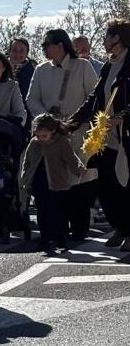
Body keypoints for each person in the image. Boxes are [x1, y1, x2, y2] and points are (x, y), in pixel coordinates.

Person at [27, 29, 98, 242]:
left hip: (77, 132)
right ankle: (57, 230)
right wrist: (47, 122)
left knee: (77, 181)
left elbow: (94, 99)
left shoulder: (83, 67)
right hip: (49, 137)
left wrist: (74, 123)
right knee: (53, 183)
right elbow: (32, 99)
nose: (44, 49)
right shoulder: (40, 70)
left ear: (60, 45)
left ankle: (79, 229)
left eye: (47, 45)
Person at [66, 19, 130, 250]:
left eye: (106, 36)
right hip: (105, 136)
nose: (103, 40)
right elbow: (94, 98)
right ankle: (120, 226)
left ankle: (128, 230)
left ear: (117, 39)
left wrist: (123, 115)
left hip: (125, 135)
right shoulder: (107, 66)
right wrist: (71, 122)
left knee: (125, 184)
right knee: (106, 187)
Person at [19, 113, 85, 255]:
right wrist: (25, 178)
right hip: (39, 180)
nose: (41, 139)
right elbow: (27, 161)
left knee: (58, 211)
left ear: (53, 131)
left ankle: (61, 238)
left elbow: (70, 158)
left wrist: (78, 169)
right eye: (38, 135)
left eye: (44, 136)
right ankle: (44, 239)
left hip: (57, 181)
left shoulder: (61, 141)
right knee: (42, 211)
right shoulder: (34, 143)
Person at [0, 52, 28, 125]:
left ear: (4, 68)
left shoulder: (12, 86)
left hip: (5, 131)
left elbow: (20, 112)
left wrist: (14, 127)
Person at [8, 37, 36, 102]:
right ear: (9, 51)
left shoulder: (34, 70)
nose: (18, 54)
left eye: (22, 51)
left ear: (27, 53)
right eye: (14, 50)